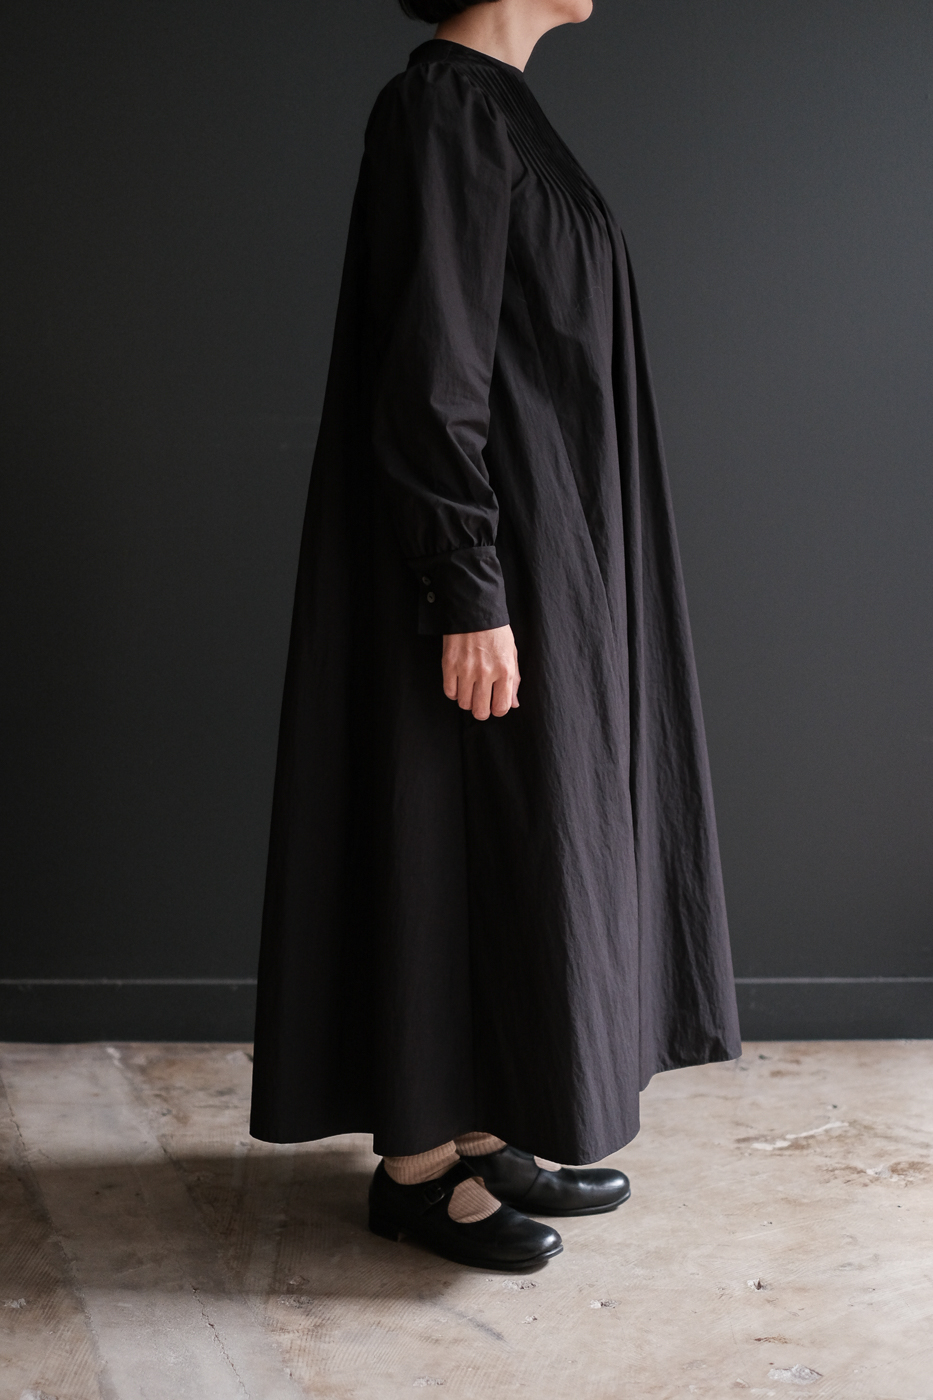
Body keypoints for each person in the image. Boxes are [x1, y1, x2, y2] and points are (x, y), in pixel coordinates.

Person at [249, 0, 741, 1272]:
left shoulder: (502, 107)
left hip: (550, 547)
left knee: (514, 842)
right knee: (442, 825)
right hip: (488, 552)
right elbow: (432, 365)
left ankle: (476, 1130)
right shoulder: (443, 107)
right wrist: (466, 583)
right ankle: (417, 1169)